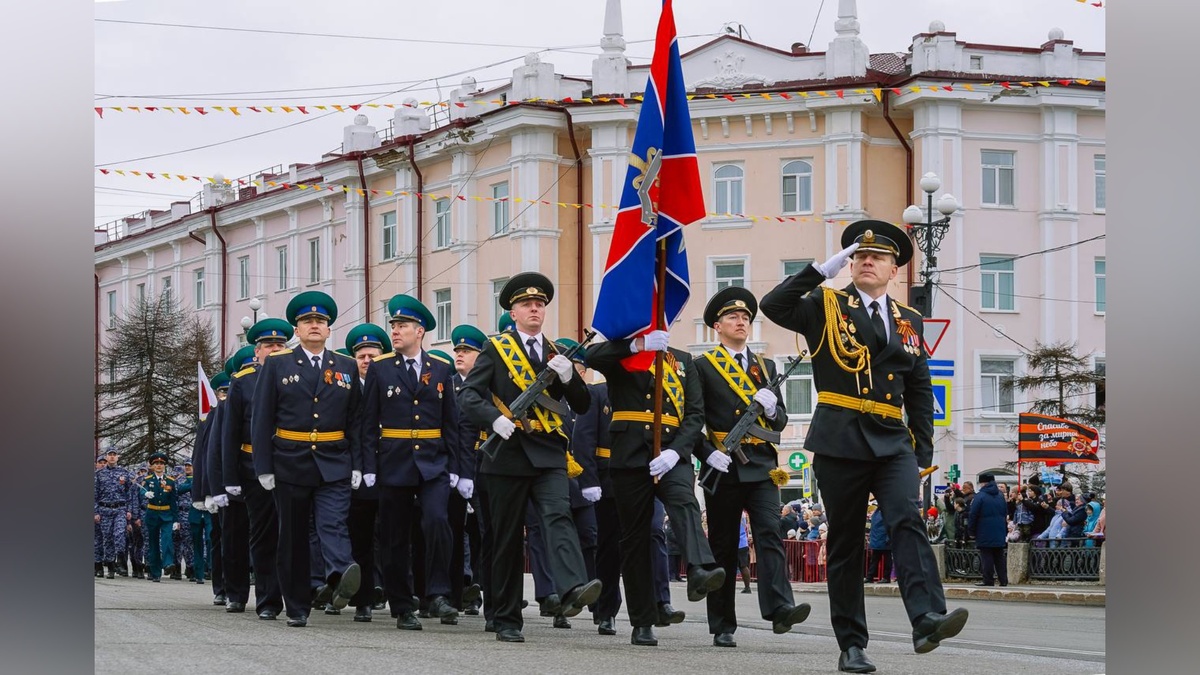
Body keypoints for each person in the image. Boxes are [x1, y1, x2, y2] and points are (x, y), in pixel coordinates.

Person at [761, 219, 968, 673]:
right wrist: (820, 270)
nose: (867, 261)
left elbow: (918, 386)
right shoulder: (825, 304)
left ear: (895, 270)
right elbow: (773, 305)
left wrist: (923, 457)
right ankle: (851, 643)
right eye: (859, 256)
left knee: (906, 520)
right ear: (850, 264)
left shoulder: (908, 319)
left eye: (878, 257)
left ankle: (927, 617)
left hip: (893, 441)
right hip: (840, 437)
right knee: (847, 545)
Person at [459, 273, 602, 643]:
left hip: (550, 452)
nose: (534, 308)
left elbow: (583, 405)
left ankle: (571, 588)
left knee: (558, 515)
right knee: (506, 538)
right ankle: (506, 617)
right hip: (506, 454)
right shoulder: (496, 349)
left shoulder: (557, 354)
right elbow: (469, 396)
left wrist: (570, 377)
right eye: (526, 304)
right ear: (513, 311)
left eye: (539, 304)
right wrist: (495, 419)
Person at [585, 317, 726, 648]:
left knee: (685, 502)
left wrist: (678, 452)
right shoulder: (623, 356)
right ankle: (642, 620)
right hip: (630, 455)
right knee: (636, 539)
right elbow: (591, 357)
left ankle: (700, 569)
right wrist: (636, 346)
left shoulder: (683, 361)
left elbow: (695, 415)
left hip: (671, 452)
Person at [689, 286, 812, 647]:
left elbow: (780, 421)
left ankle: (779, 608)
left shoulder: (766, 366)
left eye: (745, 317)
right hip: (723, 463)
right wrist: (705, 452)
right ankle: (723, 624)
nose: (741, 321)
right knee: (724, 545)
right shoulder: (702, 367)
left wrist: (772, 409)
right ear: (717, 325)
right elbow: (691, 418)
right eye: (732, 317)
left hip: (761, 465)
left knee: (770, 534)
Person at [251, 291, 363, 628]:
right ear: (296, 330)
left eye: (320, 322)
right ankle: (297, 605)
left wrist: (358, 463)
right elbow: (262, 419)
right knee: (293, 537)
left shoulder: (345, 366)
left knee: (333, 522)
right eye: (307, 322)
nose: (314, 326)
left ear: (329, 330)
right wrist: (264, 467)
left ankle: (340, 574)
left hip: (334, 460)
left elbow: (355, 419)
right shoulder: (278, 364)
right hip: (290, 461)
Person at [361, 294, 464, 631]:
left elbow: (452, 422)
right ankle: (403, 604)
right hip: (393, 462)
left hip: (433, 463)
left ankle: (438, 593)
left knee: (437, 522)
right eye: (393, 325)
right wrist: (369, 467)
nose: (395, 331)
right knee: (393, 536)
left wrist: (458, 469)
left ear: (419, 331)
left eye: (402, 326)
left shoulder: (441, 368)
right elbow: (367, 422)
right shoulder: (381, 368)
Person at [222, 320, 293, 620]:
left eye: (280, 345)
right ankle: (267, 600)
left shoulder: (296, 375)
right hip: (254, 468)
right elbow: (229, 434)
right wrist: (229, 478)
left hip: (292, 465)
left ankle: (297, 593)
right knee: (264, 536)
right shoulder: (243, 381)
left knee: (291, 534)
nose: (275, 349)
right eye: (269, 346)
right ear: (257, 351)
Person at [343, 322, 390, 623]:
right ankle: (364, 599)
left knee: (391, 534)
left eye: (372, 355)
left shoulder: (391, 381)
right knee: (360, 534)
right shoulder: (347, 387)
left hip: (390, 468)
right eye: (361, 356)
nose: (367, 361)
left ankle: (388, 588)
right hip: (356, 471)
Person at [450, 323, 491, 625]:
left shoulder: (490, 388)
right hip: (456, 469)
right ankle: (460, 590)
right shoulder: (448, 384)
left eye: (467, 351)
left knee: (484, 534)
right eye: (458, 350)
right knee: (457, 533)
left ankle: (480, 590)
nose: (460, 354)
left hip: (486, 466)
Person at [94, 448, 135, 579]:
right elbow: (94, 495)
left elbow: (129, 493)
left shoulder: (124, 473)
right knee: (107, 538)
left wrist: (129, 510)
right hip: (104, 509)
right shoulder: (99, 474)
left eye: (114, 455)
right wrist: (95, 511)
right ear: (106, 457)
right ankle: (110, 566)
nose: (112, 457)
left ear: (118, 457)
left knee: (119, 534)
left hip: (120, 509)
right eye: (109, 455)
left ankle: (120, 558)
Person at [139, 452, 180, 582]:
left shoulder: (170, 481)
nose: (159, 466)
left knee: (167, 538)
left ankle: (168, 563)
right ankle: (155, 573)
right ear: (152, 466)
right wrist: (146, 494)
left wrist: (176, 519)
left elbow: (174, 501)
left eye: (161, 464)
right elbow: (141, 491)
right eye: (156, 463)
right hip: (152, 514)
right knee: (153, 544)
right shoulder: (148, 480)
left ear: (165, 466)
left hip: (166, 515)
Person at [967, 472, 1009, 587]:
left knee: (987, 556)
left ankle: (988, 580)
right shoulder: (1000, 495)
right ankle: (1003, 580)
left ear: (983, 483)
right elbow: (1005, 513)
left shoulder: (980, 496)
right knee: (999, 556)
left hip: (984, 530)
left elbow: (973, 515)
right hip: (999, 530)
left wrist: (971, 531)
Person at [865, 505, 891, 583]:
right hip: (884, 540)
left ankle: (870, 577)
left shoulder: (876, 514)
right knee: (884, 560)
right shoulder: (885, 512)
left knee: (876, 560)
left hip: (880, 540)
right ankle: (884, 577)